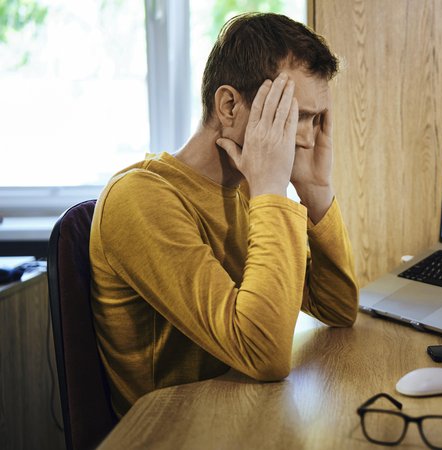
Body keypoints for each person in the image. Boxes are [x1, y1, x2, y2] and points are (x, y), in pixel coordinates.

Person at [89, 12, 359, 416]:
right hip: (173, 431)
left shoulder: (247, 191)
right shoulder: (140, 199)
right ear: (230, 105)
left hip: (241, 410)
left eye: (316, 119)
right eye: (294, 115)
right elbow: (264, 354)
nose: (305, 137)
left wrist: (315, 192)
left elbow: (337, 307)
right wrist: (270, 188)